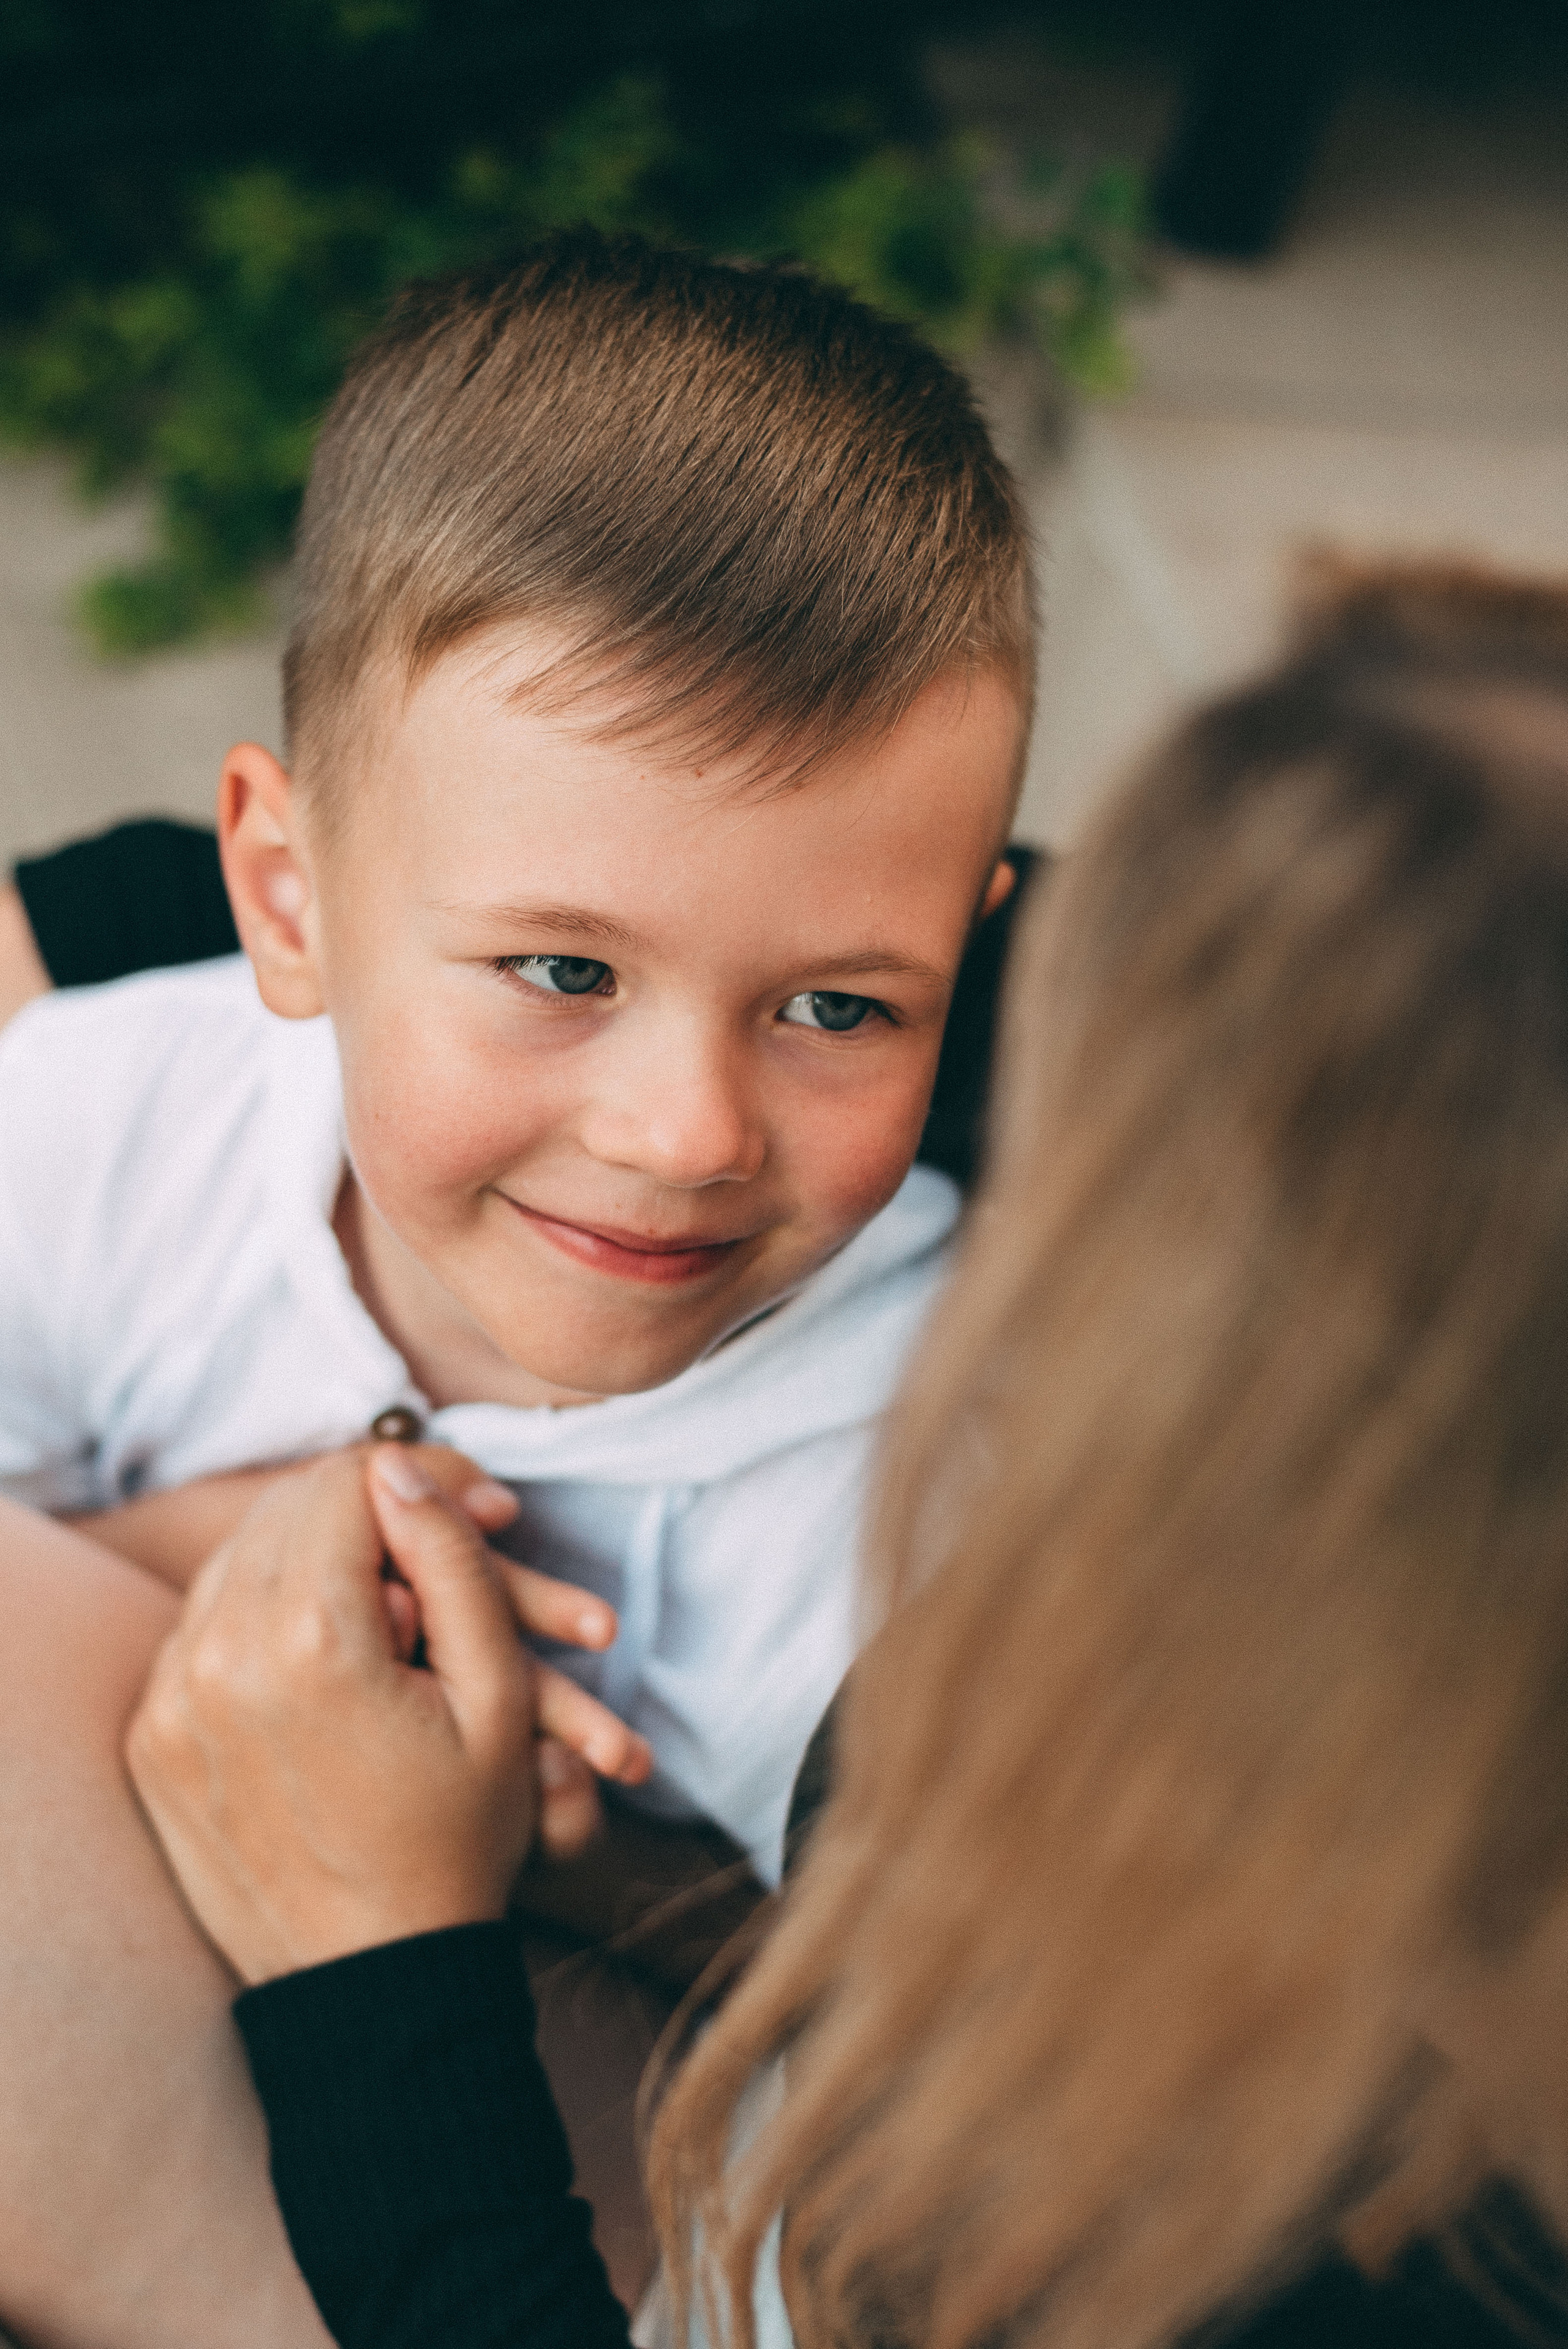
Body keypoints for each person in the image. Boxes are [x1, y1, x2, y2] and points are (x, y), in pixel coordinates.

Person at [124, 557, 1568, 2349]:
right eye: (565, 969)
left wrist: (374, 1969)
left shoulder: (1344, 2226)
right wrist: (296, 912)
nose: (689, 1138)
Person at [0, 230, 1031, 2343]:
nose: (687, 1131)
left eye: (840, 1006)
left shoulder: (928, 1530)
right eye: (563, 969)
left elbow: (917, 2188)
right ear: (288, 896)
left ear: (973, 938)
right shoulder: (117, 1116)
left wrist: (600, 1878)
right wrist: (205, 1552)